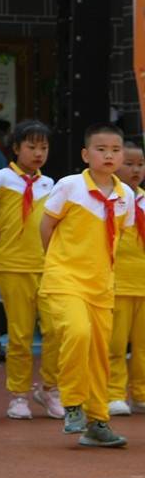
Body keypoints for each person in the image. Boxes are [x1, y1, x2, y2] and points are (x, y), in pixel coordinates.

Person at [41, 124, 134, 447]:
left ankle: (97, 422)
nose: (109, 155)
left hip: (102, 286)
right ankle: (73, 403)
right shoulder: (70, 186)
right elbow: (47, 226)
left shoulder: (127, 196)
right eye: (101, 149)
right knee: (77, 333)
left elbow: (118, 240)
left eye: (115, 150)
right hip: (64, 280)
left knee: (98, 354)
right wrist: (56, 264)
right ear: (85, 154)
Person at [0, 120, 61, 420]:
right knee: (21, 335)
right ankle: (19, 395)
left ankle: (49, 389)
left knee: (56, 330)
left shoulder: (50, 184)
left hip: (48, 267)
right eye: (32, 147)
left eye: (44, 147)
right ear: (16, 148)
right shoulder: (0, 178)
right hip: (12, 266)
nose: (38, 153)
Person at [109, 139, 145, 415]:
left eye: (140, 164)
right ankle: (114, 393)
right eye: (129, 164)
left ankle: (141, 393)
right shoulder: (112, 199)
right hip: (118, 283)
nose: (135, 170)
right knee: (116, 344)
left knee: (143, 347)